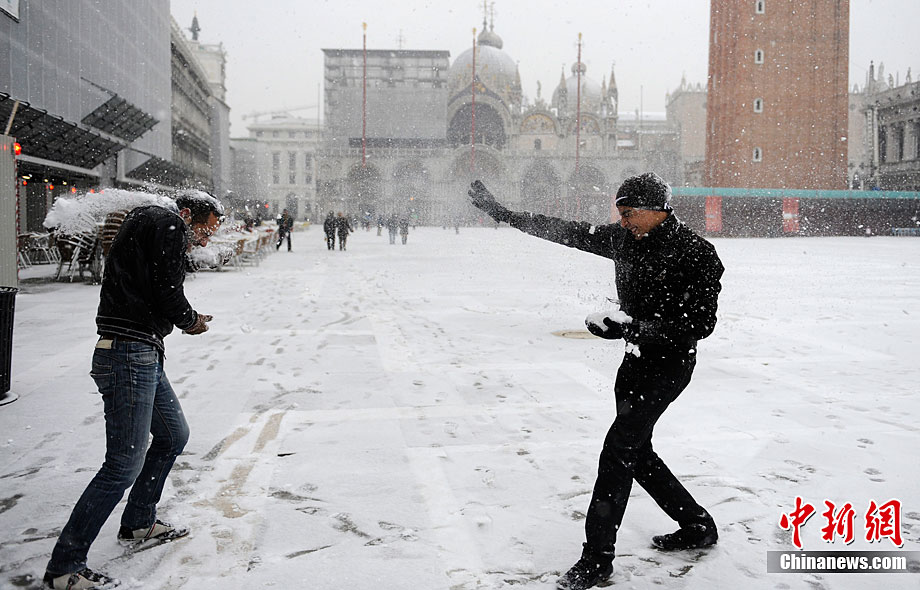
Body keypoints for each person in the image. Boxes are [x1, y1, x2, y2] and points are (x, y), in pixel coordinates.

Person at [468, 172, 724, 590]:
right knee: (637, 451)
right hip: (634, 363)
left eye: (630, 213)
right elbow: (565, 231)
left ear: (658, 209)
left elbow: (699, 324)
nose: (623, 222)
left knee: (618, 450)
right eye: (620, 214)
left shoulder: (696, 252)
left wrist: (633, 327)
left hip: (670, 366)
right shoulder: (624, 239)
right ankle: (697, 525)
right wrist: (504, 214)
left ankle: (597, 559)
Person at [42, 192, 223, 590]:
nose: (206, 239)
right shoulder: (168, 225)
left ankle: (139, 521)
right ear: (187, 213)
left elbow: (151, 284)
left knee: (174, 435)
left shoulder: (150, 222)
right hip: (129, 354)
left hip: (138, 351)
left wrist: (182, 314)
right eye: (205, 229)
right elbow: (167, 290)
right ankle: (64, 567)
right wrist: (190, 320)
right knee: (123, 464)